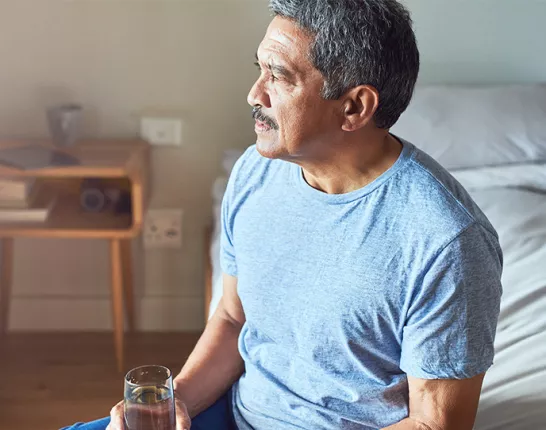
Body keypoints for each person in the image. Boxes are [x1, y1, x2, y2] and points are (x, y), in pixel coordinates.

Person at [64, 0, 503, 429]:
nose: (254, 94)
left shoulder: (447, 241)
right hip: (236, 413)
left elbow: (434, 422)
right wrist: (176, 406)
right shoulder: (256, 171)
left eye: (279, 76)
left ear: (353, 107)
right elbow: (233, 318)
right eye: (260, 69)